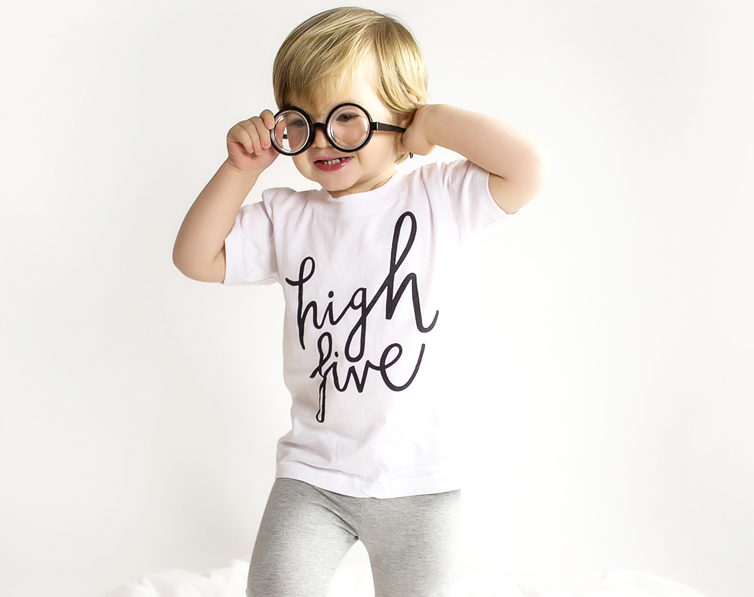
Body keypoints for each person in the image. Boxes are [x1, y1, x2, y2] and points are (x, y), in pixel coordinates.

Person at [173, 7, 550, 597]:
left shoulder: (442, 197)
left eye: (346, 117)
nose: (323, 139)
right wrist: (239, 169)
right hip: (313, 476)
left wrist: (432, 122)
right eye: (302, 121)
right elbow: (195, 258)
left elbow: (528, 168)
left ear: (401, 116)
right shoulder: (288, 216)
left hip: (420, 482)